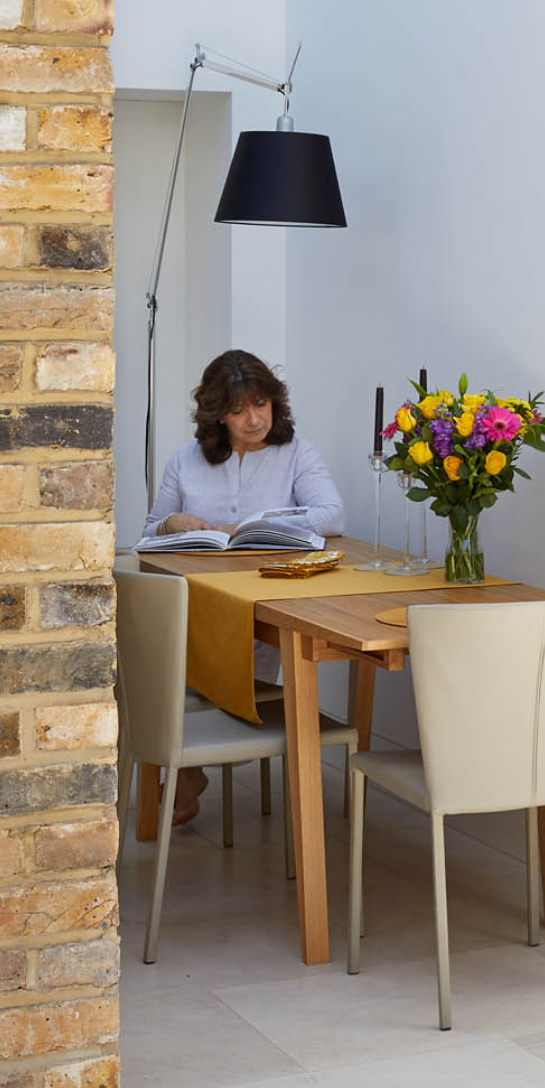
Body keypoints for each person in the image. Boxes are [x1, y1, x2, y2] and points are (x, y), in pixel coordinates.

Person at [142, 350, 344, 826]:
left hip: (265, 600)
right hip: (198, 601)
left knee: (247, 658)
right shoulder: (185, 461)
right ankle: (189, 755)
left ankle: (194, 763)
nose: (253, 420)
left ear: (275, 402)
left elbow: (332, 515)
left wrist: (253, 525)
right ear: (217, 415)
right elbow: (148, 530)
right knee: (171, 635)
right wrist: (173, 521)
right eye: (238, 411)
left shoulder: (296, 453)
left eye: (261, 404)